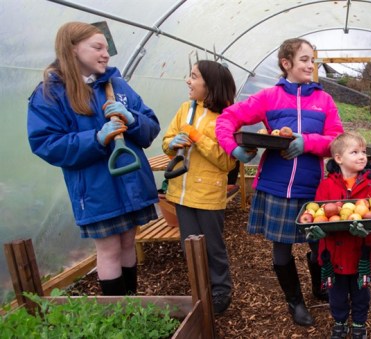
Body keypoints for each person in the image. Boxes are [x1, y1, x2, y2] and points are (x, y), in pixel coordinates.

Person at [215, 37, 344, 326]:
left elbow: (338, 140)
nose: (311, 65)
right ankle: (295, 301)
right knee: (281, 247)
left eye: (313, 59)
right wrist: (233, 149)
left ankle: (319, 288)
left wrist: (308, 142)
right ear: (286, 63)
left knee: (318, 244)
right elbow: (227, 119)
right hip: (275, 187)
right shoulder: (268, 97)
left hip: (312, 187)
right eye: (304, 59)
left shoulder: (324, 100)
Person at [27, 22, 160, 296]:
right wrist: (96, 139)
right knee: (109, 248)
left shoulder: (117, 84)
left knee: (127, 242)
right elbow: (46, 143)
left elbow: (151, 127)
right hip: (96, 187)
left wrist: (133, 121)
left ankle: (131, 307)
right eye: (97, 47)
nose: (105, 54)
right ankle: (118, 317)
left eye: (106, 48)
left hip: (130, 180)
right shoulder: (50, 93)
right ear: (72, 49)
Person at [161, 60, 238, 314]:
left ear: (210, 84)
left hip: (207, 195)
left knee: (212, 247)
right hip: (181, 193)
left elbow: (227, 161)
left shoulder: (228, 117)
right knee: (189, 246)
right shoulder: (185, 109)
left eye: (193, 76)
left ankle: (221, 290)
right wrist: (174, 144)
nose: (188, 81)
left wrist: (196, 137)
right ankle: (199, 289)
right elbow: (166, 141)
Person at [304, 132, 371, 339]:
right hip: (333, 251)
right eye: (354, 152)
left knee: (361, 291)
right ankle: (339, 322)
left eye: (363, 153)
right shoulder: (326, 186)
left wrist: (368, 228)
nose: (361, 157)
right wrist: (319, 230)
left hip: (361, 250)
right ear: (338, 158)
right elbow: (318, 214)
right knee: (336, 292)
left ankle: (359, 323)